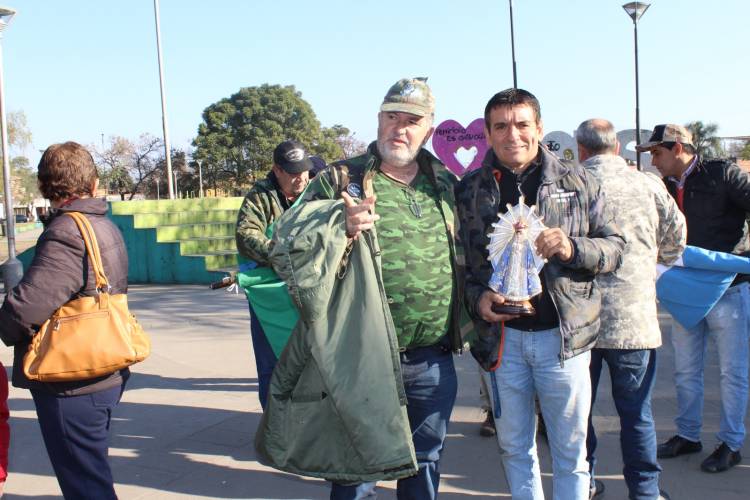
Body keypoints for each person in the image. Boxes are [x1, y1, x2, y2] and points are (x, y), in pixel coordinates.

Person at [456, 88, 625, 499]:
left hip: (563, 342)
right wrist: (477, 299)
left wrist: (572, 247)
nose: (512, 134)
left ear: (539, 128)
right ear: (489, 133)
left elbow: (616, 249)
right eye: (500, 126)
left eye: (521, 124)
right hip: (502, 342)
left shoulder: (579, 180)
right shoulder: (469, 189)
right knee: (514, 448)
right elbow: (460, 268)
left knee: (570, 452)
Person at [299, 77, 462, 499]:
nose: (399, 128)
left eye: (412, 120)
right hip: (362, 357)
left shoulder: (444, 181)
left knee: (425, 459)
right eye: (392, 117)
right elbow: (288, 241)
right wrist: (339, 227)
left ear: (430, 127)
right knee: (357, 468)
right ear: (378, 119)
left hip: (431, 358)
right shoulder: (340, 179)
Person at [0, 142, 129, 499]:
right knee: (91, 473)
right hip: (102, 367)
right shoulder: (101, 225)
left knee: (86, 485)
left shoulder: (67, 233)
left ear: (46, 187)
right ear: (93, 183)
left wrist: (6, 320)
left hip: (72, 379)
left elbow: (26, 309)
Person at [576, 119, 686, 500]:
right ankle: (645, 491)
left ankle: (583, 482)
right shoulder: (648, 184)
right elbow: (677, 238)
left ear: (581, 150)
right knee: (636, 414)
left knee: (579, 413)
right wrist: (650, 266)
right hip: (634, 322)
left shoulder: (569, 185)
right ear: (618, 149)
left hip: (581, 322)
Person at [637, 124, 750, 473]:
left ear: (678, 148)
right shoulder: (663, 188)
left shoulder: (723, 174)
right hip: (683, 292)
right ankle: (688, 435)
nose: (653, 160)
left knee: (733, 373)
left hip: (728, 288)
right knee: (686, 370)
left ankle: (731, 443)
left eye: (657, 153)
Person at [235, 140, 314, 409]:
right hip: (270, 292)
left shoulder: (315, 190)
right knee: (272, 361)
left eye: (304, 170)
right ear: (276, 170)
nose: (300, 178)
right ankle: (274, 424)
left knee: (312, 360)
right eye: (293, 172)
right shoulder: (260, 196)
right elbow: (246, 235)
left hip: (309, 288)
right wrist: (283, 254)